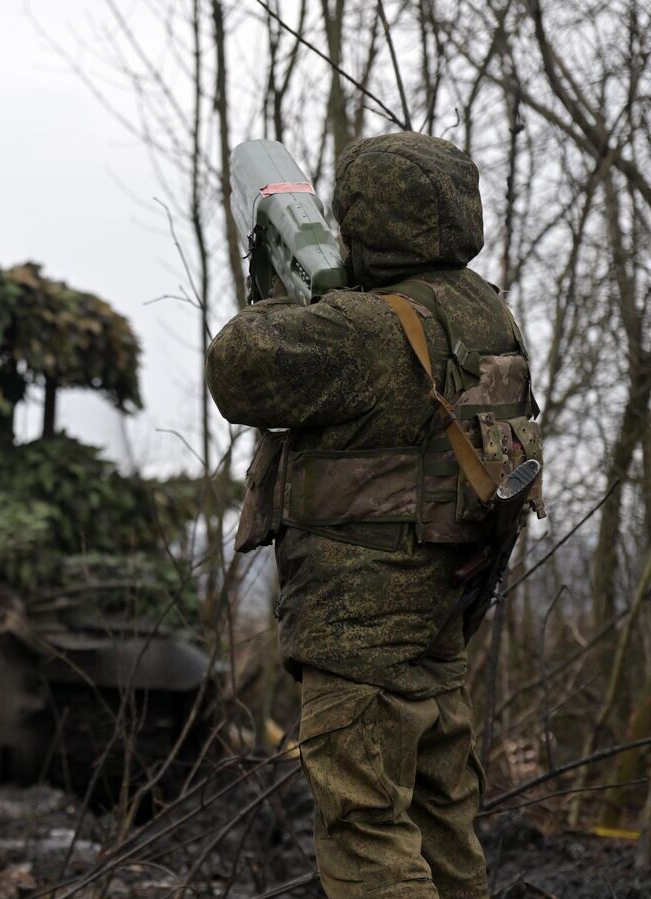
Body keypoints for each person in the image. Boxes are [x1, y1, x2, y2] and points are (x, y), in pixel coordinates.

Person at [205, 131, 543, 898]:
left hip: (358, 638)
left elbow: (238, 364)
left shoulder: (362, 328)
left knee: (368, 838)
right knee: (445, 833)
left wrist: (293, 281)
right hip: (440, 623)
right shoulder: (491, 318)